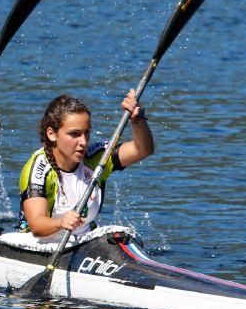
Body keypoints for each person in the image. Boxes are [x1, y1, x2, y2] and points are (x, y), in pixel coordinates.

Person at [17, 90, 153, 242]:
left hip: (84, 239)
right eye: (74, 134)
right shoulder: (38, 169)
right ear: (51, 134)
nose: (83, 141)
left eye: (86, 133)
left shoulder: (96, 158)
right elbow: (36, 225)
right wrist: (61, 222)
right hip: (39, 243)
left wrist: (137, 120)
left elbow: (143, 149)